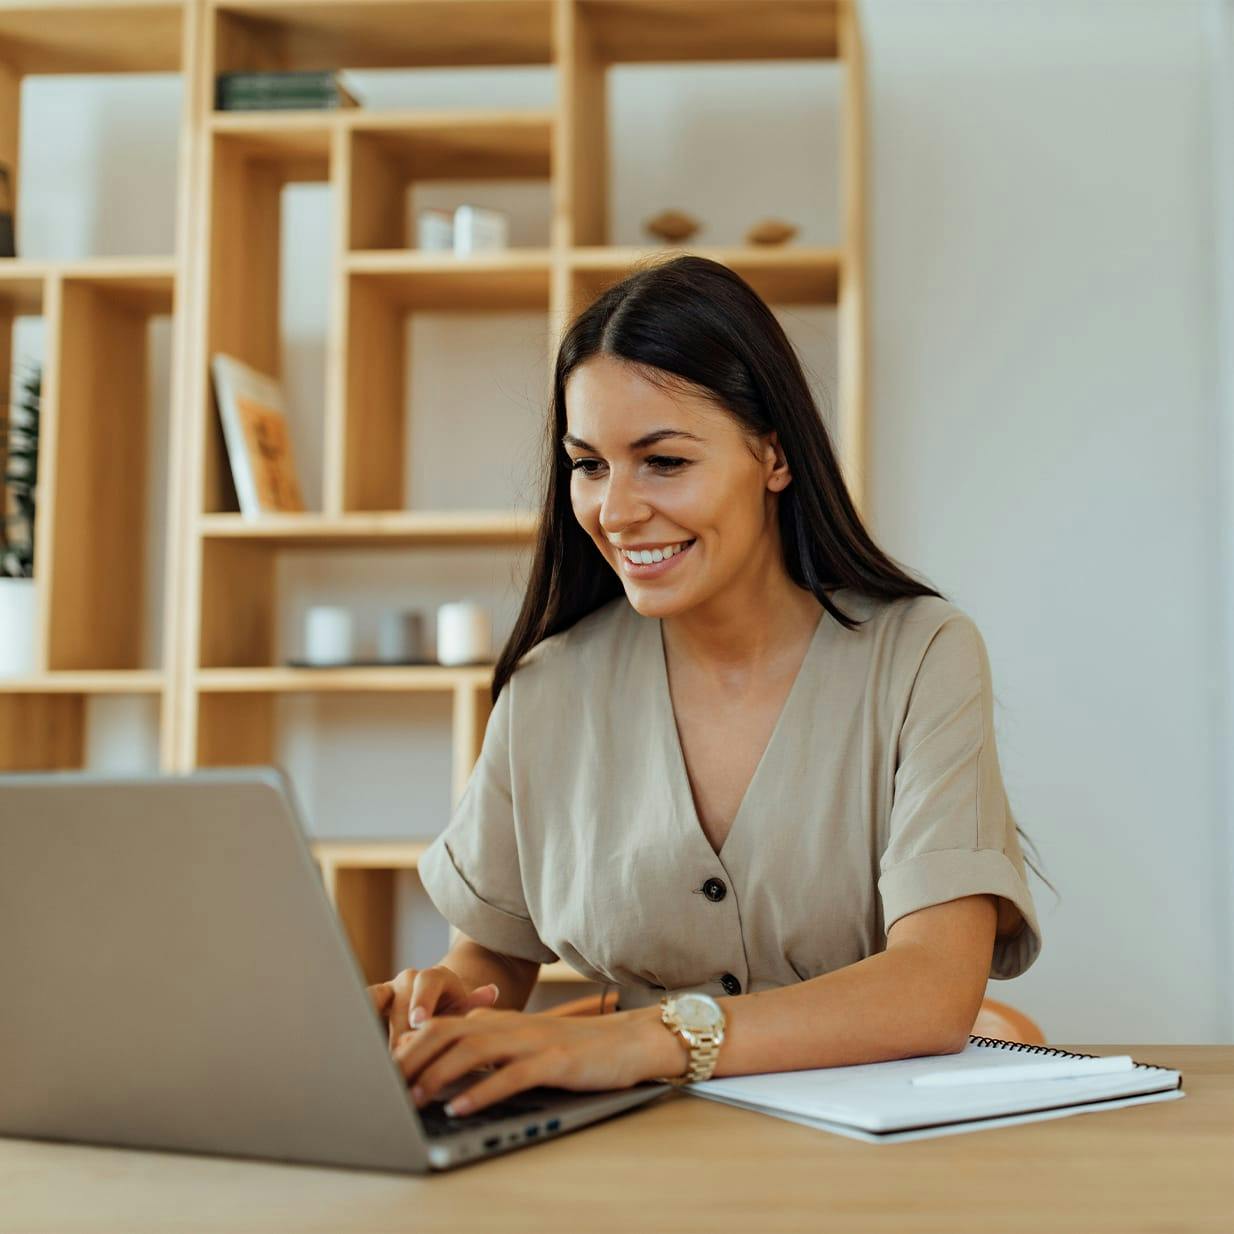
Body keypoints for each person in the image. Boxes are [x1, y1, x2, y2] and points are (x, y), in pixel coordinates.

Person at [367, 254, 1053, 1119]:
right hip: (629, 1145)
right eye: (589, 464)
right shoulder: (548, 687)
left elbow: (932, 988)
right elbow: (491, 962)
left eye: (662, 461)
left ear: (771, 453)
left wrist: (645, 1040)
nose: (614, 512)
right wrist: (436, 1007)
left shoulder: (920, 655)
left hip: (867, 1158)